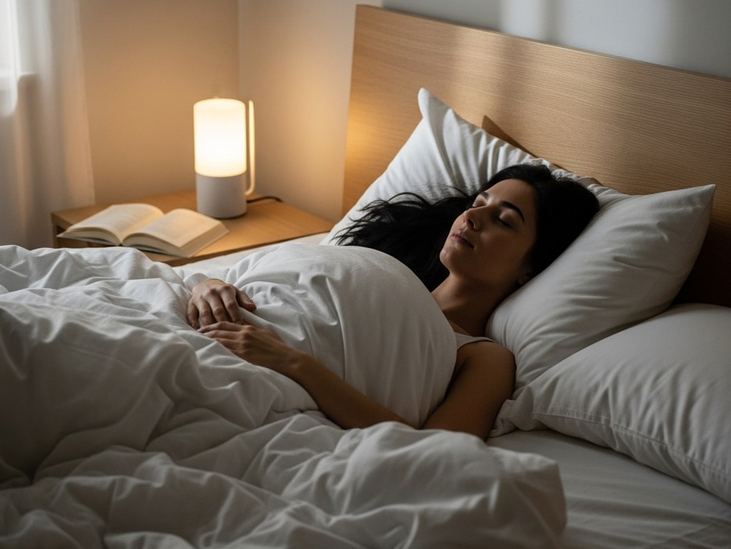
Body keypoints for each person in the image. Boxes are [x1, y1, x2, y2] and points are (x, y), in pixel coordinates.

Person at [188, 164, 599, 440]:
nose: (472, 219)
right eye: (478, 205)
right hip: (206, 330)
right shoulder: (382, 275)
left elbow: (433, 450)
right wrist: (206, 284)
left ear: (530, 267)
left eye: (503, 220)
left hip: (265, 389)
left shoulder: (486, 358)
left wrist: (293, 361)